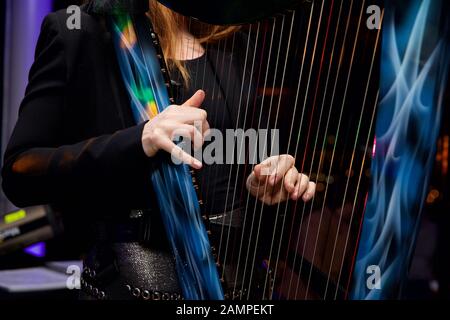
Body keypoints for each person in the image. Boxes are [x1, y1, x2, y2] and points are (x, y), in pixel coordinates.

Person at [1, 0, 316, 300]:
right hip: (132, 287)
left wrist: (261, 183)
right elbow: (20, 171)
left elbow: (225, 165)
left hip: (238, 289)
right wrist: (141, 140)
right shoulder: (81, 32)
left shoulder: (233, 41)